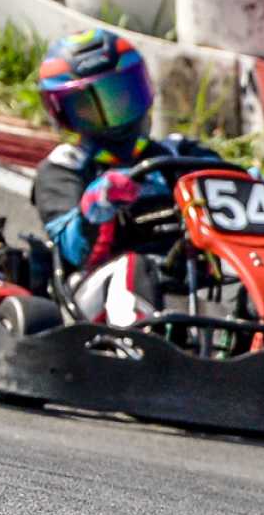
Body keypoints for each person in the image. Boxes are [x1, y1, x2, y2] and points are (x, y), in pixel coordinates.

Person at [30, 28, 218, 321]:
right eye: (93, 107)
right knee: (134, 268)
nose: (115, 112)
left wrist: (248, 186)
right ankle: (142, 336)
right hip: (92, 292)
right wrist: (96, 206)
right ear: (65, 113)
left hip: (184, 280)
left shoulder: (178, 154)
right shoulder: (63, 167)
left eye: (121, 96)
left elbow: (228, 187)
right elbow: (72, 250)